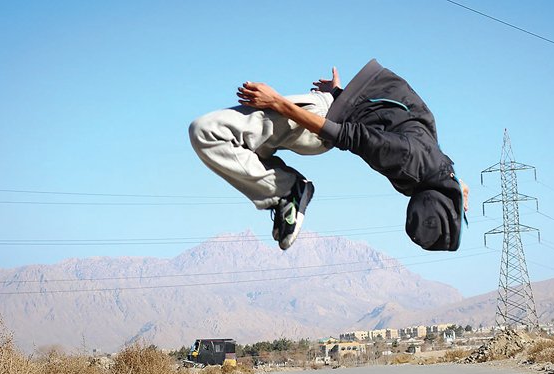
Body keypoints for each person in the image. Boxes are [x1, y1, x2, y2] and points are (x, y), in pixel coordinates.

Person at [189, 59, 467, 251]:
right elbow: (381, 124)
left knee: (206, 132)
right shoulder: (417, 163)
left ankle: (287, 190)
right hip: (336, 108)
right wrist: (339, 93)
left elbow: (343, 134)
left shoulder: (428, 167)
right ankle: (283, 190)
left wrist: (278, 102)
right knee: (246, 149)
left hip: (323, 117)